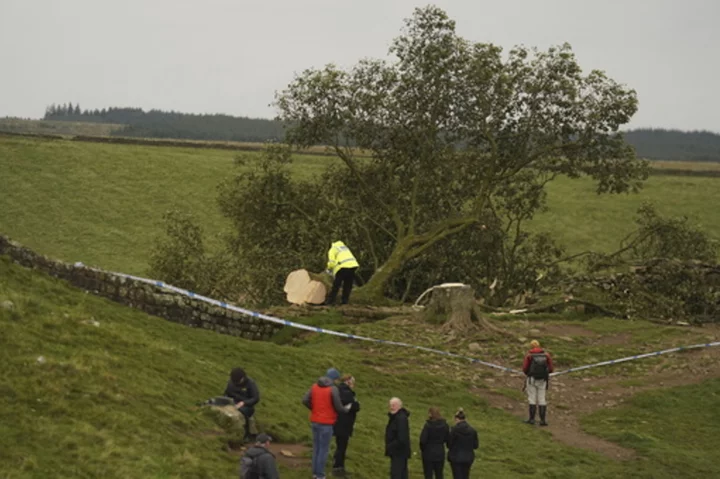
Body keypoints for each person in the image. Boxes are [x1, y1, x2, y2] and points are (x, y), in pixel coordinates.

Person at [302, 368, 349, 479]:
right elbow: (338, 407)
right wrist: (346, 409)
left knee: (317, 448)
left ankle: (315, 472)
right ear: (334, 378)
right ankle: (320, 475)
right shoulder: (333, 389)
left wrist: (313, 408)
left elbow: (305, 400)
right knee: (323, 449)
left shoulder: (314, 386)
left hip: (315, 420)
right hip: (327, 422)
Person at [332, 375, 361, 478]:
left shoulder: (340, 390)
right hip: (343, 424)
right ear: (348, 381)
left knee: (341, 445)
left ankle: (338, 464)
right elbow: (355, 406)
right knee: (342, 446)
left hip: (340, 422)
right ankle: (338, 467)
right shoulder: (346, 392)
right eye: (352, 381)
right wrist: (355, 404)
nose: (353, 384)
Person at [522, 339, 554, 426]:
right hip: (543, 380)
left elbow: (525, 368)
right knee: (542, 398)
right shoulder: (546, 355)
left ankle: (532, 419)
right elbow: (551, 368)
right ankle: (543, 420)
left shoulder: (529, 355)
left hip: (531, 379)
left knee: (532, 398)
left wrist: (528, 374)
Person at [224, 368, 261, 442]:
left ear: (243, 378)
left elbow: (255, 398)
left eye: (238, 381)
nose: (236, 383)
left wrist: (244, 403)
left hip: (247, 406)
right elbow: (227, 393)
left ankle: (246, 435)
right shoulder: (231, 383)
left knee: (242, 412)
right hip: (233, 402)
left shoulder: (250, 383)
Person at [447, 409, 479, 479]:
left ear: (456, 419)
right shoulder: (472, 431)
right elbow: (475, 446)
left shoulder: (454, 430)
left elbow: (449, 444)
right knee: (465, 476)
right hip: (468, 458)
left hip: (455, 457)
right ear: (465, 419)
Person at [325, 241, 360, 305]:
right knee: (347, 285)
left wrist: (328, 268)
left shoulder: (332, 249)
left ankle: (330, 301)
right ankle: (344, 301)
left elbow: (332, 262)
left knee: (336, 285)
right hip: (353, 266)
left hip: (342, 267)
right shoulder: (344, 247)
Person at [419, 407, 449, 479]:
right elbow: (447, 439)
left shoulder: (428, 426)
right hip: (439, 452)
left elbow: (423, 440)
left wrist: (423, 449)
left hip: (428, 452)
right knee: (439, 474)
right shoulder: (445, 425)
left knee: (428, 474)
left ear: (430, 414)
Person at [385, 397, 411, 479]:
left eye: (393, 405)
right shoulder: (396, 417)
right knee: (401, 474)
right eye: (390, 405)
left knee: (397, 474)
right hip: (397, 451)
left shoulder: (401, 418)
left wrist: (390, 446)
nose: (391, 407)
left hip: (399, 452)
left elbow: (402, 438)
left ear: (399, 406)